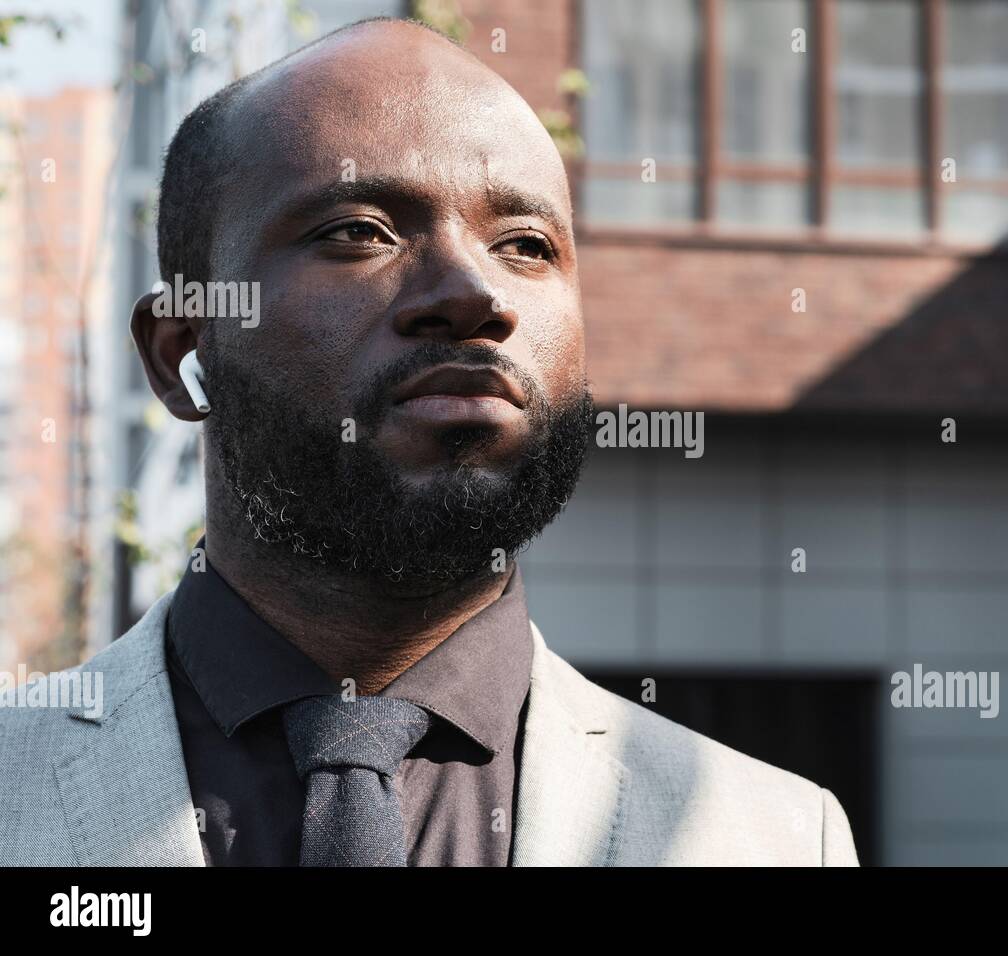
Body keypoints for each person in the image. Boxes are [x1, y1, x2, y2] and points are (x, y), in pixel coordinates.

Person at [0, 17, 858, 867]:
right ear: (181, 350)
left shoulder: (773, 834)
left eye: (526, 244)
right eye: (358, 231)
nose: (475, 293)